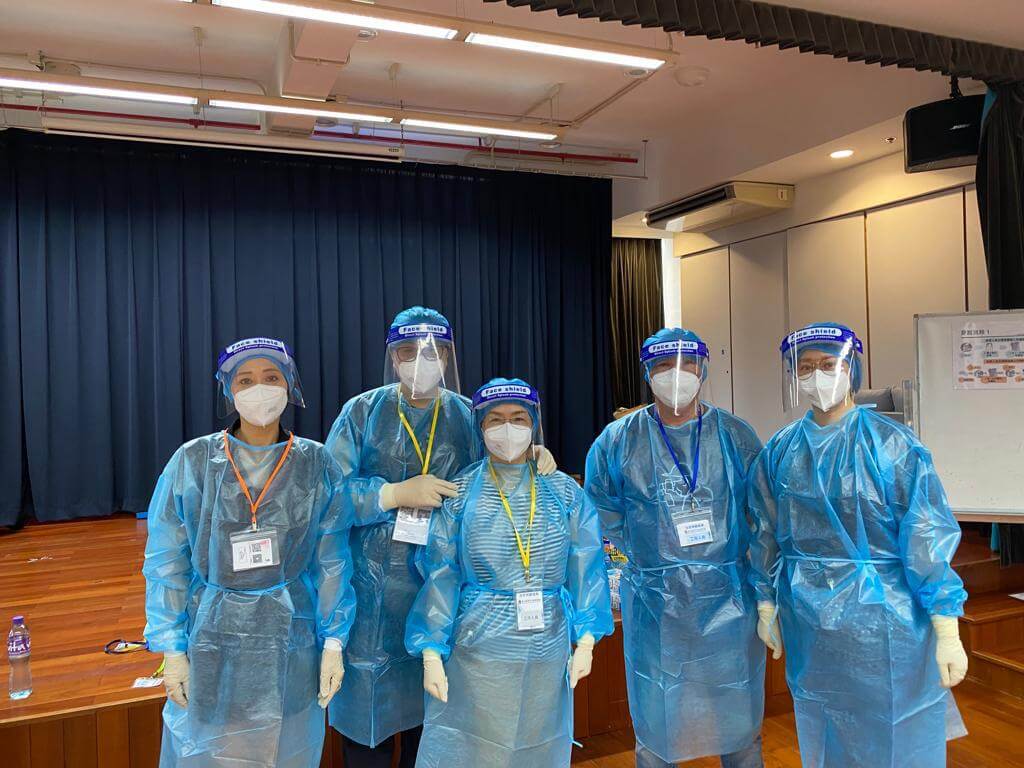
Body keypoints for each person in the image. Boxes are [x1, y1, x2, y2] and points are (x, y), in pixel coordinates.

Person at [325, 309, 557, 768]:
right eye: (408, 352)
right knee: (369, 733)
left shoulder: (465, 415)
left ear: (448, 357)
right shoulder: (363, 413)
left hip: (446, 591)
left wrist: (527, 455)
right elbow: (329, 499)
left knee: (431, 727)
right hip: (372, 598)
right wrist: (391, 494)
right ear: (393, 359)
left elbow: (493, 475)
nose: (420, 361)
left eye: (431, 352)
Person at [747, 322, 970, 767]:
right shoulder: (780, 451)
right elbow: (763, 533)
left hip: (887, 623)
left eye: (828, 364)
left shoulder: (892, 445)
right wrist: (766, 603)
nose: (817, 375)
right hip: (810, 623)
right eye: (806, 367)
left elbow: (925, 537)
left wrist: (947, 626)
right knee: (826, 725)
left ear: (852, 368)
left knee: (895, 733)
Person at [143, 336, 355, 768]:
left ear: (289, 386)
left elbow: (332, 560)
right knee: (215, 746)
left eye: (271, 377)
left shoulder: (315, 464)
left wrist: (334, 641)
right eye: (246, 380)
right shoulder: (194, 461)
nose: (260, 389)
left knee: (287, 742)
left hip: (291, 635)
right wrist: (172, 648)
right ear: (229, 391)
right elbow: (167, 561)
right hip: (214, 633)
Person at [406, 378, 614, 768]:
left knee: (538, 744)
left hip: (546, 647)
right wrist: (431, 650)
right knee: (477, 747)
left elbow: (586, 566)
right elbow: (441, 576)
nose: (507, 428)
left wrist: (586, 639)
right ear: (481, 427)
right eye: (496, 419)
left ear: (534, 424)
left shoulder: (563, 492)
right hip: (479, 650)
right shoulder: (461, 494)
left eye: (518, 418)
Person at [585, 328, 766, 768]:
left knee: (739, 720)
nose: (675, 375)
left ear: (702, 370)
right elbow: (600, 506)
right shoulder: (619, 440)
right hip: (656, 602)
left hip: (729, 599)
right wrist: (649, 552)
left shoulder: (735, 436)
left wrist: (763, 595)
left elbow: (762, 513)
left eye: (686, 365)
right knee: (656, 723)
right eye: (664, 366)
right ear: (648, 373)